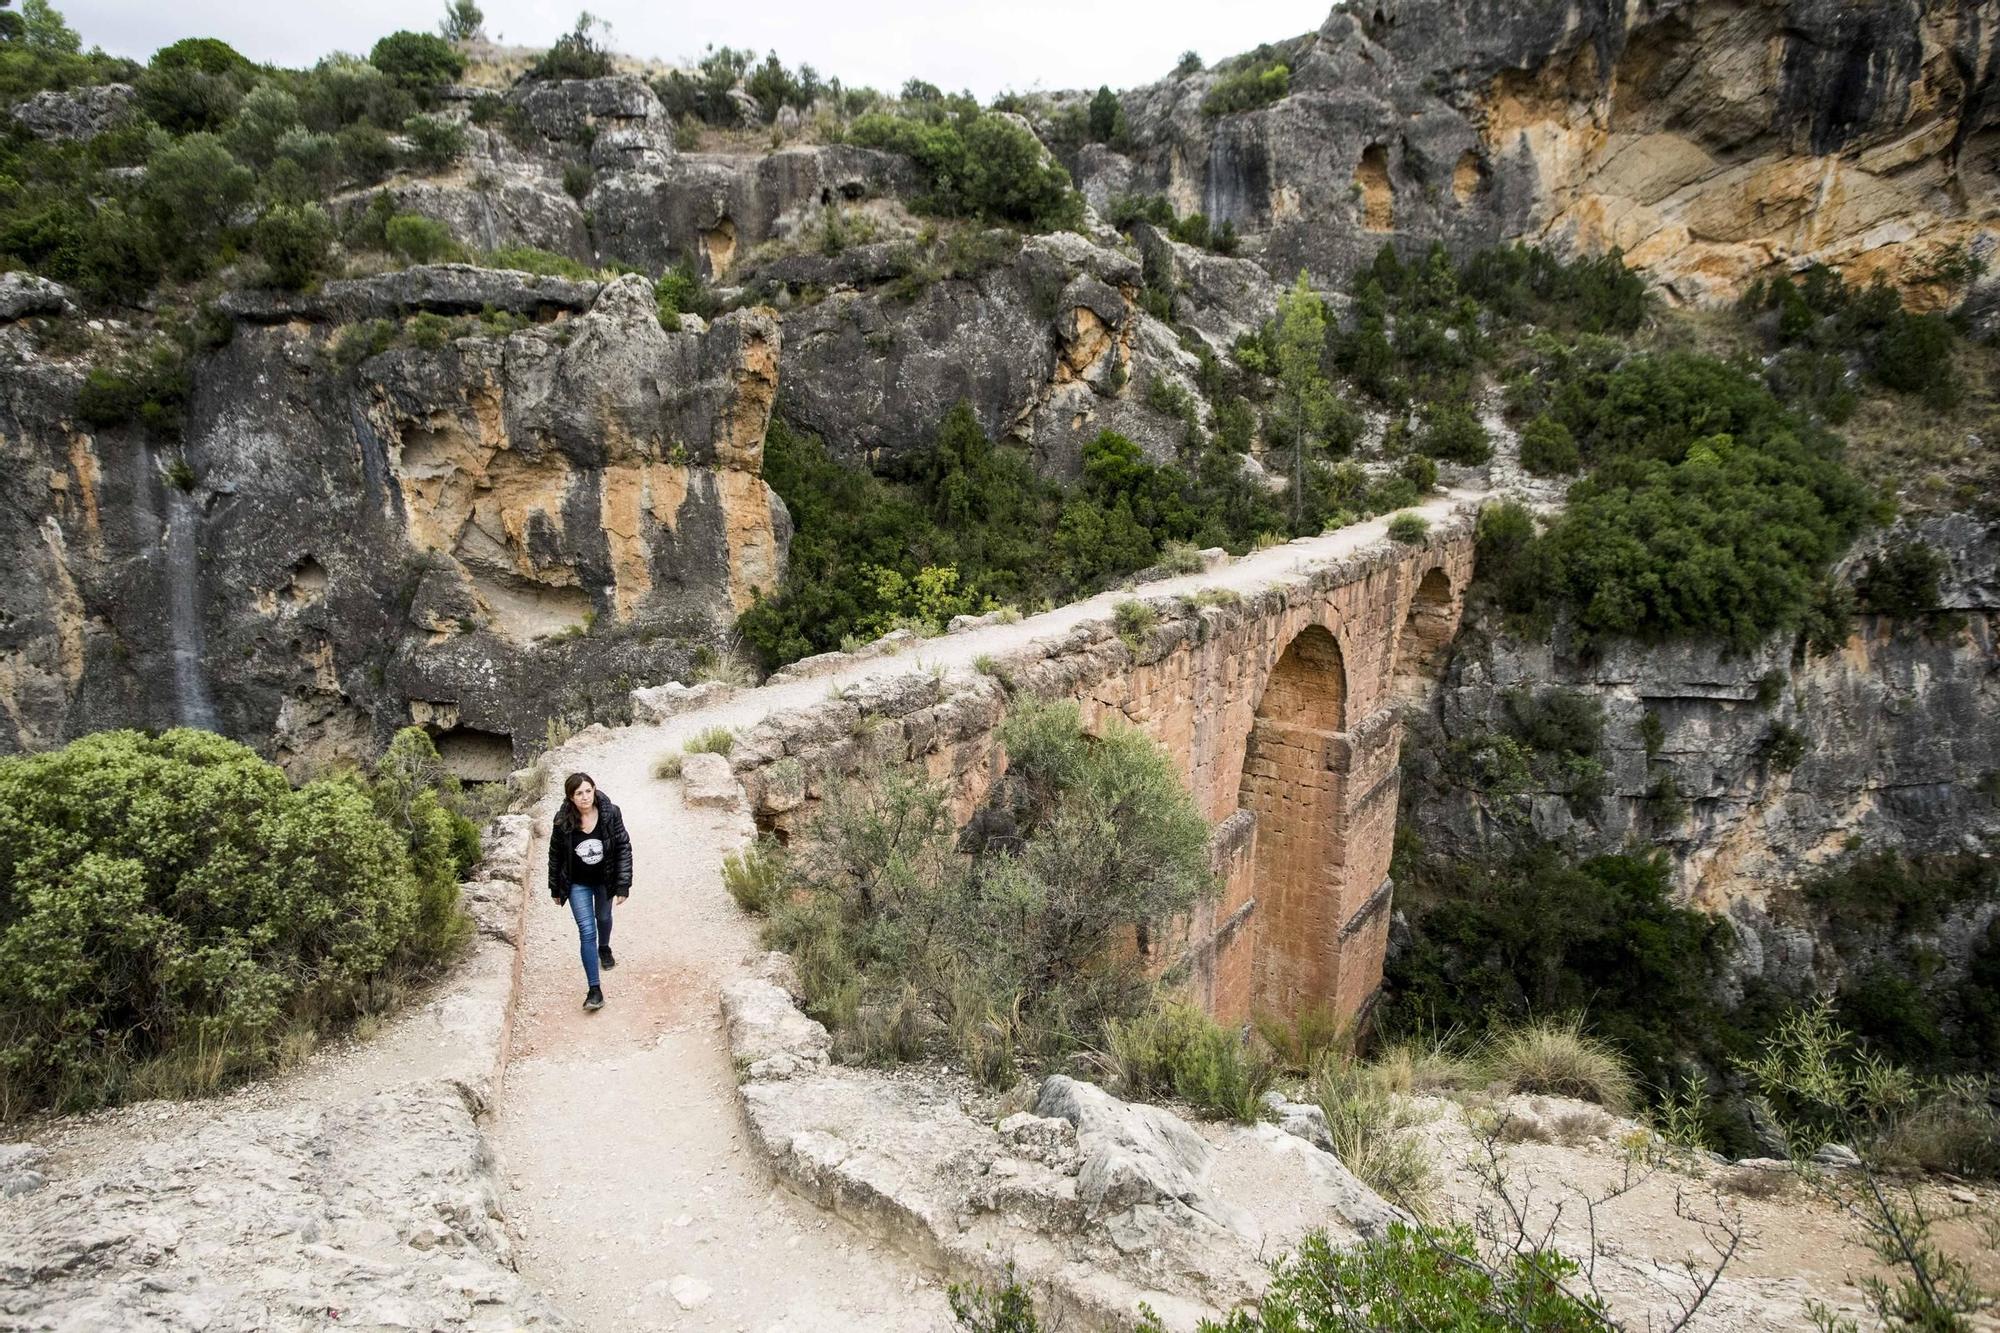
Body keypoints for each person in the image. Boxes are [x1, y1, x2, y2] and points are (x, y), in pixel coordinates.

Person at [547, 771, 632, 1011]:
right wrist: (556, 886)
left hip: (604, 880)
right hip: (577, 884)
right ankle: (594, 989)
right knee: (586, 931)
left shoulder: (610, 813)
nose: (584, 797)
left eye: (587, 791)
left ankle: (604, 948)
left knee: (604, 917)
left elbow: (623, 846)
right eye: (578, 793)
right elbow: (555, 855)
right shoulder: (562, 821)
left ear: (594, 790)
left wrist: (623, 884)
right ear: (570, 798)